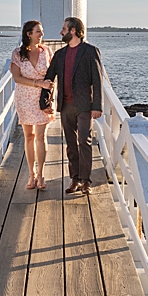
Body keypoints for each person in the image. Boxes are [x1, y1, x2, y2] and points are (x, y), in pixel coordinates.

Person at [44, 16, 103, 195]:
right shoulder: (60, 54)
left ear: (73, 31)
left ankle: (86, 181)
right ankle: (75, 179)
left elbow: (98, 81)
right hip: (66, 105)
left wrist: (97, 106)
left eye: (64, 29)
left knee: (84, 141)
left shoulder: (90, 51)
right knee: (70, 144)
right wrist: (44, 101)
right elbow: (49, 77)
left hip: (85, 105)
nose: (61, 32)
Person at [9, 20, 54, 190]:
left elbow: (52, 76)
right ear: (28, 34)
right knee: (29, 136)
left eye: (41, 31)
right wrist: (38, 83)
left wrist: (50, 97)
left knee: (41, 136)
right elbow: (17, 78)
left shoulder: (47, 52)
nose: (41, 34)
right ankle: (31, 174)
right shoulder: (18, 54)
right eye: (38, 31)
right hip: (25, 97)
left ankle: (41, 175)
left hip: (42, 98)